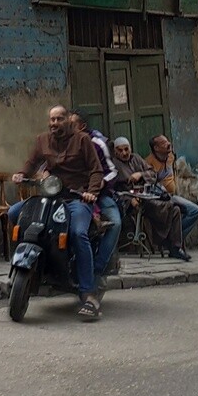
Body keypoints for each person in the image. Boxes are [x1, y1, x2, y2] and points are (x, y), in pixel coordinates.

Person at [9, 104, 104, 321]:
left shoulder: (82, 140)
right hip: (49, 196)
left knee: (79, 233)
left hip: (74, 198)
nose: (54, 123)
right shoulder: (42, 139)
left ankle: (88, 293)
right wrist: (21, 174)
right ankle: (22, 269)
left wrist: (91, 192)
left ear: (68, 121)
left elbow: (96, 170)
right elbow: (32, 162)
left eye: (59, 119)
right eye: (52, 119)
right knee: (15, 214)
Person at [113, 136, 188, 260]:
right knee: (169, 206)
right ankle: (167, 236)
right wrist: (129, 199)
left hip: (148, 195)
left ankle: (175, 248)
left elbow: (153, 174)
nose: (124, 153)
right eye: (120, 151)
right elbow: (115, 190)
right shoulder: (114, 165)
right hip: (132, 201)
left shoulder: (136, 158)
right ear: (115, 152)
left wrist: (140, 174)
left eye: (126, 149)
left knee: (176, 211)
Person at [78, 115, 123, 277]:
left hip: (100, 195)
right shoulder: (64, 143)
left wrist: (102, 182)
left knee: (115, 223)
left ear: (81, 126)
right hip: (73, 194)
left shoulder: (97, 144)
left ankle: (99, 267)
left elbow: (112, 171)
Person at [142, 134, 198, 242]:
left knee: (196, 211)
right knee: (193, 211)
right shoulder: (148, 163)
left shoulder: (171, 157)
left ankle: (173, 240)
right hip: (160, 199)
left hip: (172, 196)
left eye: (167, 141)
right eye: (164, 143)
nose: (168, 144)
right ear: (156, 148)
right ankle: (174, 241)